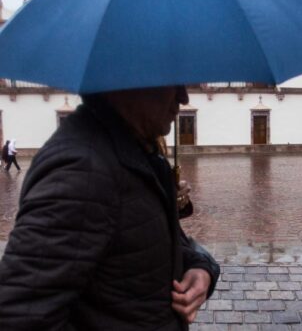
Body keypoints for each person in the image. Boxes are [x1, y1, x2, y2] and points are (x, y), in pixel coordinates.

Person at [0, 86, 220, 330]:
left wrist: (201, 267)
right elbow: (21, 317)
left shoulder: (136, 155)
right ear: (131, 82)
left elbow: (159, 241)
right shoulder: (82, 170)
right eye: (173, 84)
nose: (183, 97)